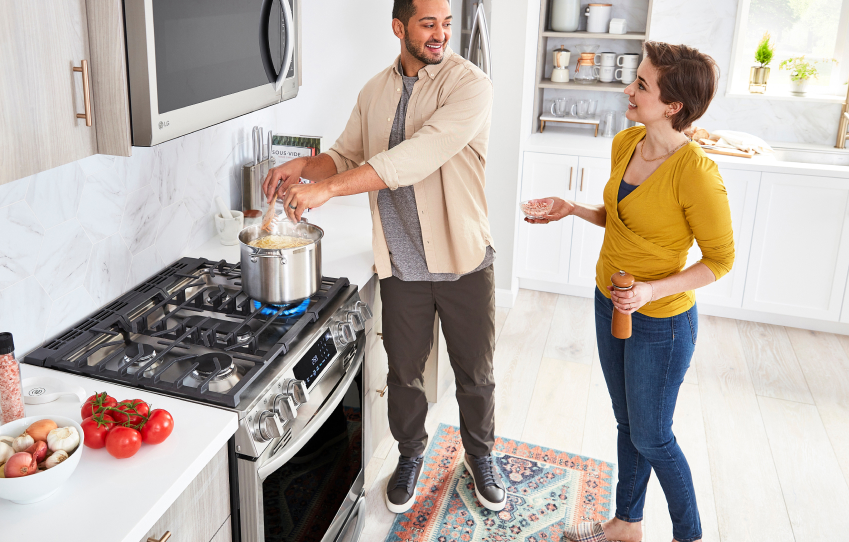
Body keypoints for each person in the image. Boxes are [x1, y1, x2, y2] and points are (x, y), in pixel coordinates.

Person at [261, 0, 503, 515]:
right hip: (400, 266)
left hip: (463, 261)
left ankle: (481, 457)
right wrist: (307, 165)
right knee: (404, 375)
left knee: (475, 374)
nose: (440, 34)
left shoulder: (469, 85)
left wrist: (327, 190)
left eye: (445, 24)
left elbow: (413, 158)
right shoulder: (375, 91)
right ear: (399, 28)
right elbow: (348, 153)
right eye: (427, 23)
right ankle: (411, 455)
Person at [527, 42, 732, 542]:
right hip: (609, 300)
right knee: (627, 424)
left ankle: (690, 535)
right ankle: (626, 524)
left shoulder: (697, 174)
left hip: (661, 322)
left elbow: (719, 261)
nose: (628, 89)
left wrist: (650, 292)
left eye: (642, 84)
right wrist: (572, 208)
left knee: (653, 436)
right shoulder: (627, 143)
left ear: (673, 105)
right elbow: (619, 219)